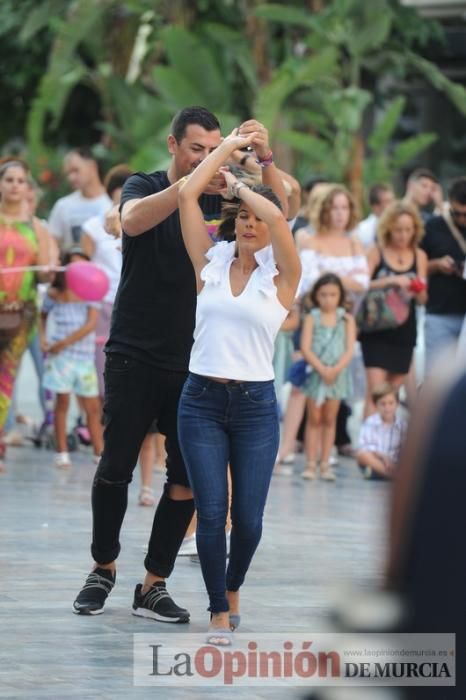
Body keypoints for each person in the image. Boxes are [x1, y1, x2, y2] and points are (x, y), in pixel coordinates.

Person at [72, 106, 225, 620]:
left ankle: (153, 584)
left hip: (193, 360)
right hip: (133, 350)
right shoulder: (144, 184)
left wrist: (261, 160)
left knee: (185, 479)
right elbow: (132, 220)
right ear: (174, 144)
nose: (204, 158)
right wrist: (187, 187)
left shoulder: (222, 199)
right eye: (196, 148)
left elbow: (283, 207)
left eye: (213, 149)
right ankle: (103, 568)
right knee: (115, 465)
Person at [176, 127, 301, 644]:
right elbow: (187, 194)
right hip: (201, 399)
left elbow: (278, 212)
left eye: (256, 218)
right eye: (242, 218)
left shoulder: (284, 276)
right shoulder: (210, 261)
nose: (250, 224)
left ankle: (232, 587)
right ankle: (217, 612)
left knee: (247, 521)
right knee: (212, 512)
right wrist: (226, 149)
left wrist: (242, 187)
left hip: (253, 406)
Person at [276, 184, 368, 466]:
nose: (340, 214)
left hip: (340, 324)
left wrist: (329, 278)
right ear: (324, 209)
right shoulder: (307, 238)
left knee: (334, 384)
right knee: (301, 382)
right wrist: (341, 279)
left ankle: (324, 454)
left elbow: (362, 283)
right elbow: (307, 283)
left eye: (345, 207)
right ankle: (286, 447)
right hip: (310, 321)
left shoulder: (354, 243)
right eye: (334, 207)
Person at [0, 160, 52, 471]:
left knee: (6, 377)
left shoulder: (37, 227)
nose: (15, 185)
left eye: (21, 180)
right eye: (9, 179)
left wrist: (47, 273)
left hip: (20, 314)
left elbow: (44, 275)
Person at [359, 201, 427, 416]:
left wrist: (416, 288)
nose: (403, 235)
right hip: (376, 328)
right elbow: (361, 285)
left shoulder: (419, 256)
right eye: (398, 229)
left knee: (393, 392)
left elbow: (424, 299)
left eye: (408, 229)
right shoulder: (376, 252)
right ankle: (368, 444)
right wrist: (391, 281)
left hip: (405, 328)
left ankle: (384, 441)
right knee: (375, 391)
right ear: (388, 228)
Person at [40, 250, 103, 467]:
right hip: (61, 358)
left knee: (92, 407)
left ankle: (99, 451)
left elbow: (90, 324)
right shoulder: (54, 294)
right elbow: (43, 315)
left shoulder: (92, 293)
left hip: (83, 357)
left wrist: (63, 343)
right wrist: (43, 340)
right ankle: (62, 451)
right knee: (62, 402)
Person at [299, 273, 356, 481]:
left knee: (330, 419)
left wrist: (335, 369)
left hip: (337, 376)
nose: (328, 299)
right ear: (316, 296)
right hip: (316, 374)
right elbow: (305, 347)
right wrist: (322, 369)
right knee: (314, 418)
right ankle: (310, 463)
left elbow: (349, 349)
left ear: (340, 296)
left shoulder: (346, 319)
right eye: (323, 295)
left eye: (333, 294)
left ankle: (325, 463)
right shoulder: (312, 317)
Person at [420, 176, 466, 375]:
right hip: (441, 313)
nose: (463, 219)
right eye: (458, 214)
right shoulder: (433, 226)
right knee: (437, 379)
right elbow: (416, 267)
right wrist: (437, 265)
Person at [48, 148, 112, 251]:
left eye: (76, 170)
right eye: (68, 173)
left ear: (92, 167)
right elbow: (51, 243)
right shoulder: (63, 205)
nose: (71, 178)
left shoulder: (112, 201)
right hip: (75, 265)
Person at [356, 382, 407, 480]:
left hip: (395, 462)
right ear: (376, 405)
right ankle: (390, 475)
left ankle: (379, 474)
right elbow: (365, 446)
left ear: (397, 404)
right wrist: (383, 457)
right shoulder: (370, 422)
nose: (387, 408)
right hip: (377, 461)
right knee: (362, 455)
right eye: (383, 404)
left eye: (391, 403)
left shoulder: (402, 425)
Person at [356, 183, 395, 249]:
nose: (393, 204)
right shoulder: (361, 231)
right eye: (388, 201)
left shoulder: (401, 225)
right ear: (375, 207)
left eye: (393, 200)